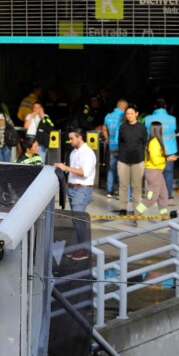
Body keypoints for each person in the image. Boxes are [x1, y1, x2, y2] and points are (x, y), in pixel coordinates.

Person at [54, 128, 96, 261]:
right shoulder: (73, 152)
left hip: (82, 190)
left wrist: (65, 168)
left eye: (72, 138)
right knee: (77, 221)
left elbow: (84, 172)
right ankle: (80, 248)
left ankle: (84, 250)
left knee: (79, 221)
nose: (70, 141)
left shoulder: (88, 153)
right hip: (73, 189)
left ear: (79, 137)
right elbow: (74, 171)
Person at [116, 104, 148, 226]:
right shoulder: (123, 127)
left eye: (131, 113)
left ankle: (137, 209)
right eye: (127, 114)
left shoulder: (142, 128)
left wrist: (139, 152)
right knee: (123, 185)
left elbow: (144, 142)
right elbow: (120, 141)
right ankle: (123, 208)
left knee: (137, 186)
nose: (129, 116)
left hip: (138, 160)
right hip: (123, 159)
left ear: (136, 114)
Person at [144, 98, 179, 198]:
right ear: (166, 106)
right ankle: (167, 194)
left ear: (155, 106)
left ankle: (152, 195)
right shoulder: (173, 119)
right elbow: (177, 131)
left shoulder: (147, 119)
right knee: (168, 173)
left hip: (153, 149)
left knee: (154, 173)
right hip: (170, 149)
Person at [135, 122, 169, 221]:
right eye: (161, 128)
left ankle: (164, 215)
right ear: (158, 129)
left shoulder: (156, 141)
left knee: (163, 194)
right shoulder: (154, 142)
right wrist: (166, 159)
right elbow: (155, 158)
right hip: (153, 171)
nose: (163, 129)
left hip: (157, 171)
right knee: (152, 197)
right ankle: (135, 214)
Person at [102, 98, 128, 199]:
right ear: (125, 108)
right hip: (122, 147)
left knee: (111, 169)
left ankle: (109, 190)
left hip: (112, 146)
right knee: (122, 170)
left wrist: (108, 139)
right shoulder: (124, 117)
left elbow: (104, 129)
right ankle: (119, 190)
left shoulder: (108, 116)